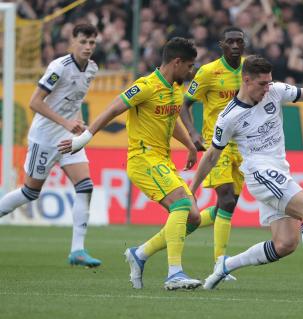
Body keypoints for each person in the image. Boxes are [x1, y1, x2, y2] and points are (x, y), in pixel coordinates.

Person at [190, 55, 303, 294]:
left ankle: (226, 265)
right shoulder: (229, 117)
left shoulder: (275, 91)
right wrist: (193, 188)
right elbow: (211, 156)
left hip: (278, 170)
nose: (267, 88)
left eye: (269, 82)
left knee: (285, 244)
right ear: (246, 80)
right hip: (259, 172)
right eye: (262, 84)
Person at [58, 37, 202, 290]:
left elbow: (170, 120)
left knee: (193, 217)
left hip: (162, 160)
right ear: (177, 62)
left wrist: (190, 144)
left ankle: (141, 254)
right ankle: (174, 273)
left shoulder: (174, 88)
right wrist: (83, 139)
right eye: (189, 66)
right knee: (180, 202)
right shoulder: (145, 86)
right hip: (143, 158)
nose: (191, 71)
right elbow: (112, 110)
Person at [0, 23, 101, 268]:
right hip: (44, 138)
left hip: (67, 138)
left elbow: (76, 99)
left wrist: (75, 122)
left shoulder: (92, 69)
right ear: (72, 41)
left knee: (85, 186)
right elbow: (35, 102)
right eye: (83, 42)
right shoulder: (59, 67)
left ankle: (77, 250)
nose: (88, 47)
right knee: (30, 192)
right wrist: (65, 121)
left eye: (92, 43)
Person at [180, 27, 245, 277]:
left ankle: (178, 228)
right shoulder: (208, 72)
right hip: (216, 143)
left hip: (243, 144)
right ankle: (220, 265)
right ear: (222, 45)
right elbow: (185, 104)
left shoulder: (249, 69)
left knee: (225, 208)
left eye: (240, 41)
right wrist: (193, 135)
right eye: (231, 42)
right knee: (227, 199)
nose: (236, 46)